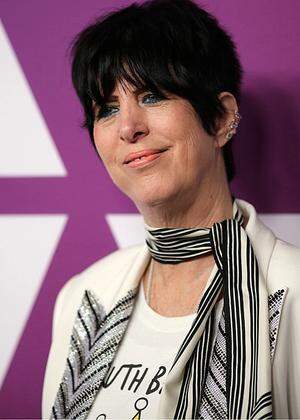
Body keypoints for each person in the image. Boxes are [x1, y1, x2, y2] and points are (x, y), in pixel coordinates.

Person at [42, 0, 300, 419]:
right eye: (107, 109)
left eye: (152, 96)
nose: (128, 127)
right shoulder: (82, 297)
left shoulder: (293, 291)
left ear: (220, 119)